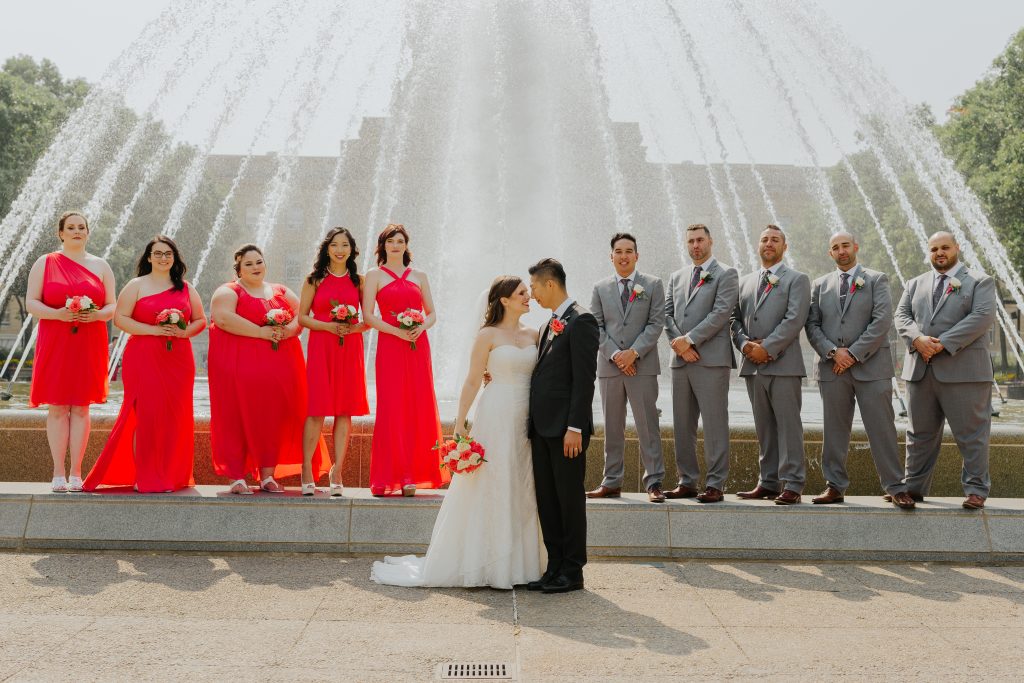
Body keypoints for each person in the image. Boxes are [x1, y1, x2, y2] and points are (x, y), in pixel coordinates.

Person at [370, 276, 545, 588]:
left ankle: (522, 563)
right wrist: (460, 422)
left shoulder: (535, 333)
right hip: (496, 413)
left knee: (523, 480)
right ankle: (485, 563)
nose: (528, 296)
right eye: (521, 293)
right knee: (492, 481)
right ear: (504, 300)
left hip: (528, 416)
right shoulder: (487, 334)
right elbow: (472, 379)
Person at [83, 236, 206, 493]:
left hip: (178, 359)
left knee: (175, 417)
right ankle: (146, 475)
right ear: (149, 257)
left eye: (168, 253)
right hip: (144, 357)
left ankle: (172, 474)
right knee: (147, 415)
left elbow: (200, 320)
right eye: (158, 253)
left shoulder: (186, 288)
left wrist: (184, 333)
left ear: (175, 258)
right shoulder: (136, 285)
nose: (163, 258)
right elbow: (120, 319)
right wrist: (155, 330)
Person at [805, 232, 912, 508]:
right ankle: (834, 486)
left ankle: (895, 486)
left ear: (855, 247)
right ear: (830, 253)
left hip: (871, 367)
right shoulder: (819, 285)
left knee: (882, 428)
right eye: (835, 248)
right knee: (834, 430)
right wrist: (832, 352)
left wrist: (852, 354)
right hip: (832, 369)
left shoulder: (876, 279)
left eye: (845, 246)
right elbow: (812, 325)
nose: (841, 251)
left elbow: (882, 321)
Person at [208, 244, 327, 494]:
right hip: (239, 372)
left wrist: (289, 330)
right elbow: (222, 318)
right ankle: (237, 476)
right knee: (236, 417)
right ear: (238, 267)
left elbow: (301, 314)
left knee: (274, 419)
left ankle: (267, 475)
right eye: (248, 264)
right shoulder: (229, 291)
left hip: (280, 371)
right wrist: (261, 332)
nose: (255, 267)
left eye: (259, 262)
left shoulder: (280, 290)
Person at [894, 231, 996, 509]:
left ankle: (976, 490)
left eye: (945, 247)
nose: (940, 253)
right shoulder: (915, 283)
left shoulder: (979, 281)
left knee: (972, 434)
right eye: (934, 248)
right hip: (920, 371)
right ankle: (912, 488)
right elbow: (901, 316)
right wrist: (917, 339)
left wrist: (942, 343)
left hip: (965, 373)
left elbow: (982, 317)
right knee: (918, 435)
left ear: (957, 248)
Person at [25, 211, 115, 493]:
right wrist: (58, 314)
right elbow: (31, 303)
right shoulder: (45, 262)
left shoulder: (101, 265)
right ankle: (58, 472)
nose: (77, 231)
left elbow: (113, 305)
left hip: (89, 339)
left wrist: (98, 314)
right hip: (56, 339)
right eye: (71, 227)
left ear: (88, 232)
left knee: (81, 406)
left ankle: (77, 472)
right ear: (61, 233)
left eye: (82, 227)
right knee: (57, 406)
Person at [527, 258, 599, 594]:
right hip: (541, 429)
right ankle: (554, 566)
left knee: (569, 500)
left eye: (534, 287)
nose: (532, 294)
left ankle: (573, 570)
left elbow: (584, 381)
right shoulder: (547, 326)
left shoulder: (582, 319)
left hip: (565, 430)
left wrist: (575, 427)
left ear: (550, 284)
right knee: (548, 500)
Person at [361, 224, 447, 497]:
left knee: (417, 405)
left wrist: (421, 327)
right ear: (383, 246)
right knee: (392, 406)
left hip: (417, 345)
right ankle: (387, 477)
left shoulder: (419, 275)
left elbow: (432, 313)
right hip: (390, 345)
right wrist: (397, 331)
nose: (395, 245)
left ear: (406, 245)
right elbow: (368, 316)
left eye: (400, 241)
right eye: (390, 241)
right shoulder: (374, 275)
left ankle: (413, 475)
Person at [730, 225, 811, 505]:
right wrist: (745, 346)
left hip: (784, 364)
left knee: (789, 426)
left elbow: (794, 319)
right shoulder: (745, 281)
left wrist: (768, 348)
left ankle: (793, 483)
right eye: (764, 239)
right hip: (752, 365)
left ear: (784, 247)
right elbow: (734, 320)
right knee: (764, 427)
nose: (769, 243)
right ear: (758, 245)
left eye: (775, 240)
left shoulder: (797, 279)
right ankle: (768, 481)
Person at [587, 233, 667, 503]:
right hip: (610, 368)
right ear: (611, 256)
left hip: (642, 366)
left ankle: (654, 481)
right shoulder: (600, 288)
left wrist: (633, 354)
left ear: (637, 255)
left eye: (629, 251)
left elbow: (656, 323)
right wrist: (616, 355)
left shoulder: (653, 285)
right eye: (618, 251)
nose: (623, 256)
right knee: (612, 426)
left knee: (648, 424)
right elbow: (595, 326)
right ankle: (611, 481)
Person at [664, 224, 739, 503]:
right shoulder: (677, 276)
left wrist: (691, 340)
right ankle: (686, 481)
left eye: (700, 240)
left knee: (714, 423)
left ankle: (716, 483)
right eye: (691, 241)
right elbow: (666, 314)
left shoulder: (726, 273)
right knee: (682, 424)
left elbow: (721, 313)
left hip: (711, 360)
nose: (695, 245)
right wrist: (680, 345)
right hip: (681, 360)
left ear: (711, 241)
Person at [298, 227, 370, 496]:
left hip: (349, 349)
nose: (340, 250)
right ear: (326, 248)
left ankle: (337, 469)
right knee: (316, 410)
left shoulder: (358, 281)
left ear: (352, 250)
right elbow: (302, 317)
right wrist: (329, 326)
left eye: (345, 245)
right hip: (321, 347)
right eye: (334, 245)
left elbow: (368, 321)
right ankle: (307, 467)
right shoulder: (313, 280)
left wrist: (354, 328)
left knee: (344, 411)